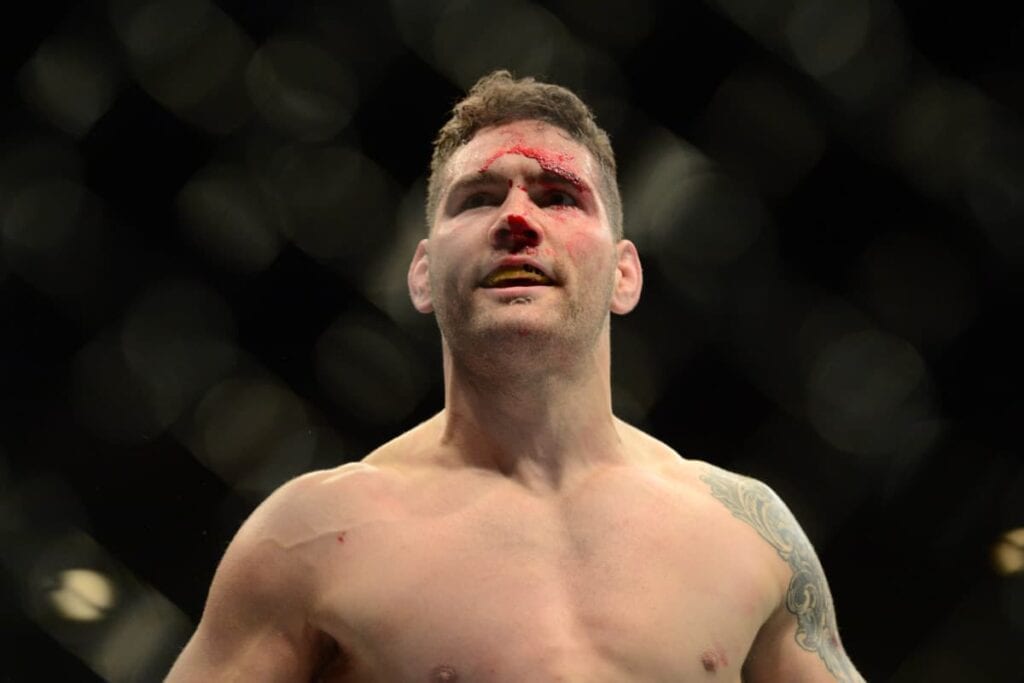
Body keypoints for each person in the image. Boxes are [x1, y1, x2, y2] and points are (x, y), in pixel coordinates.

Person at [166, 70, 864, 682]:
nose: (517, 219)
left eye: (559, 196)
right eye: (477, 197)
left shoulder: (745, 531)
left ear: (625, 273)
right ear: (420, 274)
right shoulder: (313, 538)